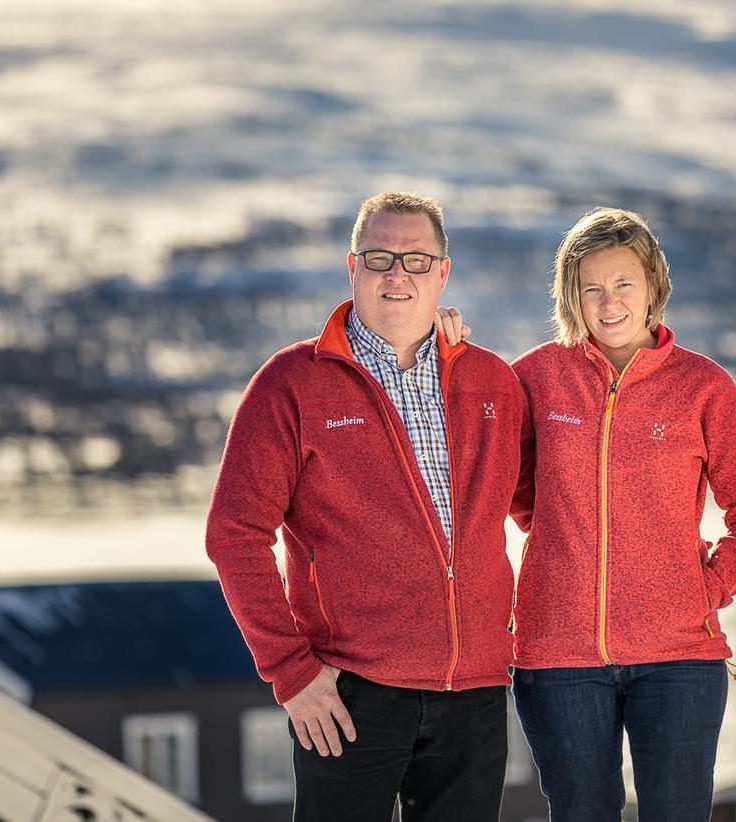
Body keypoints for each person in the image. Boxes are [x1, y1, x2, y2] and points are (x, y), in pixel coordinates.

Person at [438, 206, 736, 822]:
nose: (609, 301)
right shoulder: (536, 377)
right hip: (557, 656)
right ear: (571, 296)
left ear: (653, 287)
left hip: (678, 657)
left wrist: (705, 588)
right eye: (591, 287)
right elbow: (503, 483)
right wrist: (558, 537)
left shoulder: (703, 387)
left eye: (624, 283)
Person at [206, 192, 525, 822]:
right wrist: (291, 672)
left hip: (476, 690)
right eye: (380, 258)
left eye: (415, 259)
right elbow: (234, 534)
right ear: (352, 267)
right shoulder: (293, 383)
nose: (397, 274)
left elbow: (547, 512)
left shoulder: (492, 381)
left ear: (444, 272)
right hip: (348, 696)